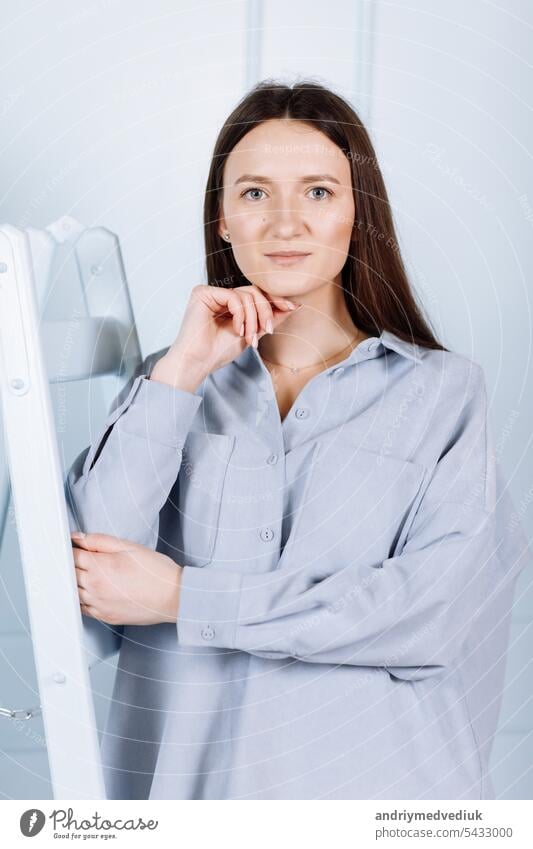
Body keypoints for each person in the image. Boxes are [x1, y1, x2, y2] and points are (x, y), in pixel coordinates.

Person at [66, 80, 531, 800]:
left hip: (379, 801)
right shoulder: (167, 387)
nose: (285, 222)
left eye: (317, 192)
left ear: (357, 213)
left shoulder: (442, 393)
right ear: (221, 218)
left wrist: (187, 597)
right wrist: (181, 371)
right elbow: (88, 581)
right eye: (254, 193)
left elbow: (429, 613)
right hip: (187, 801)